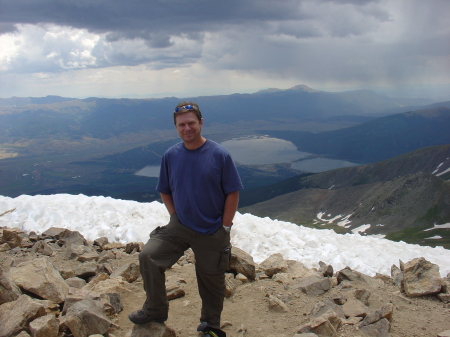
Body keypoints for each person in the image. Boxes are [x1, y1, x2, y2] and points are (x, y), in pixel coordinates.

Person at [129, 101, 243, 332]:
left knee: (211, 279)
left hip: (212, 229)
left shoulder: (219, 155)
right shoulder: (171, 155)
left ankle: (210, 325)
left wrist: (225, 227)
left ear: (201, 123)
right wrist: (174, 216)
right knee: (149, 257)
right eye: (181, 125)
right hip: (180, 226)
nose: (187, 128)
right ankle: (155, 310)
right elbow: (165, 190)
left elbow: (232, 192)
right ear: (176, 127)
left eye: (191, 123)